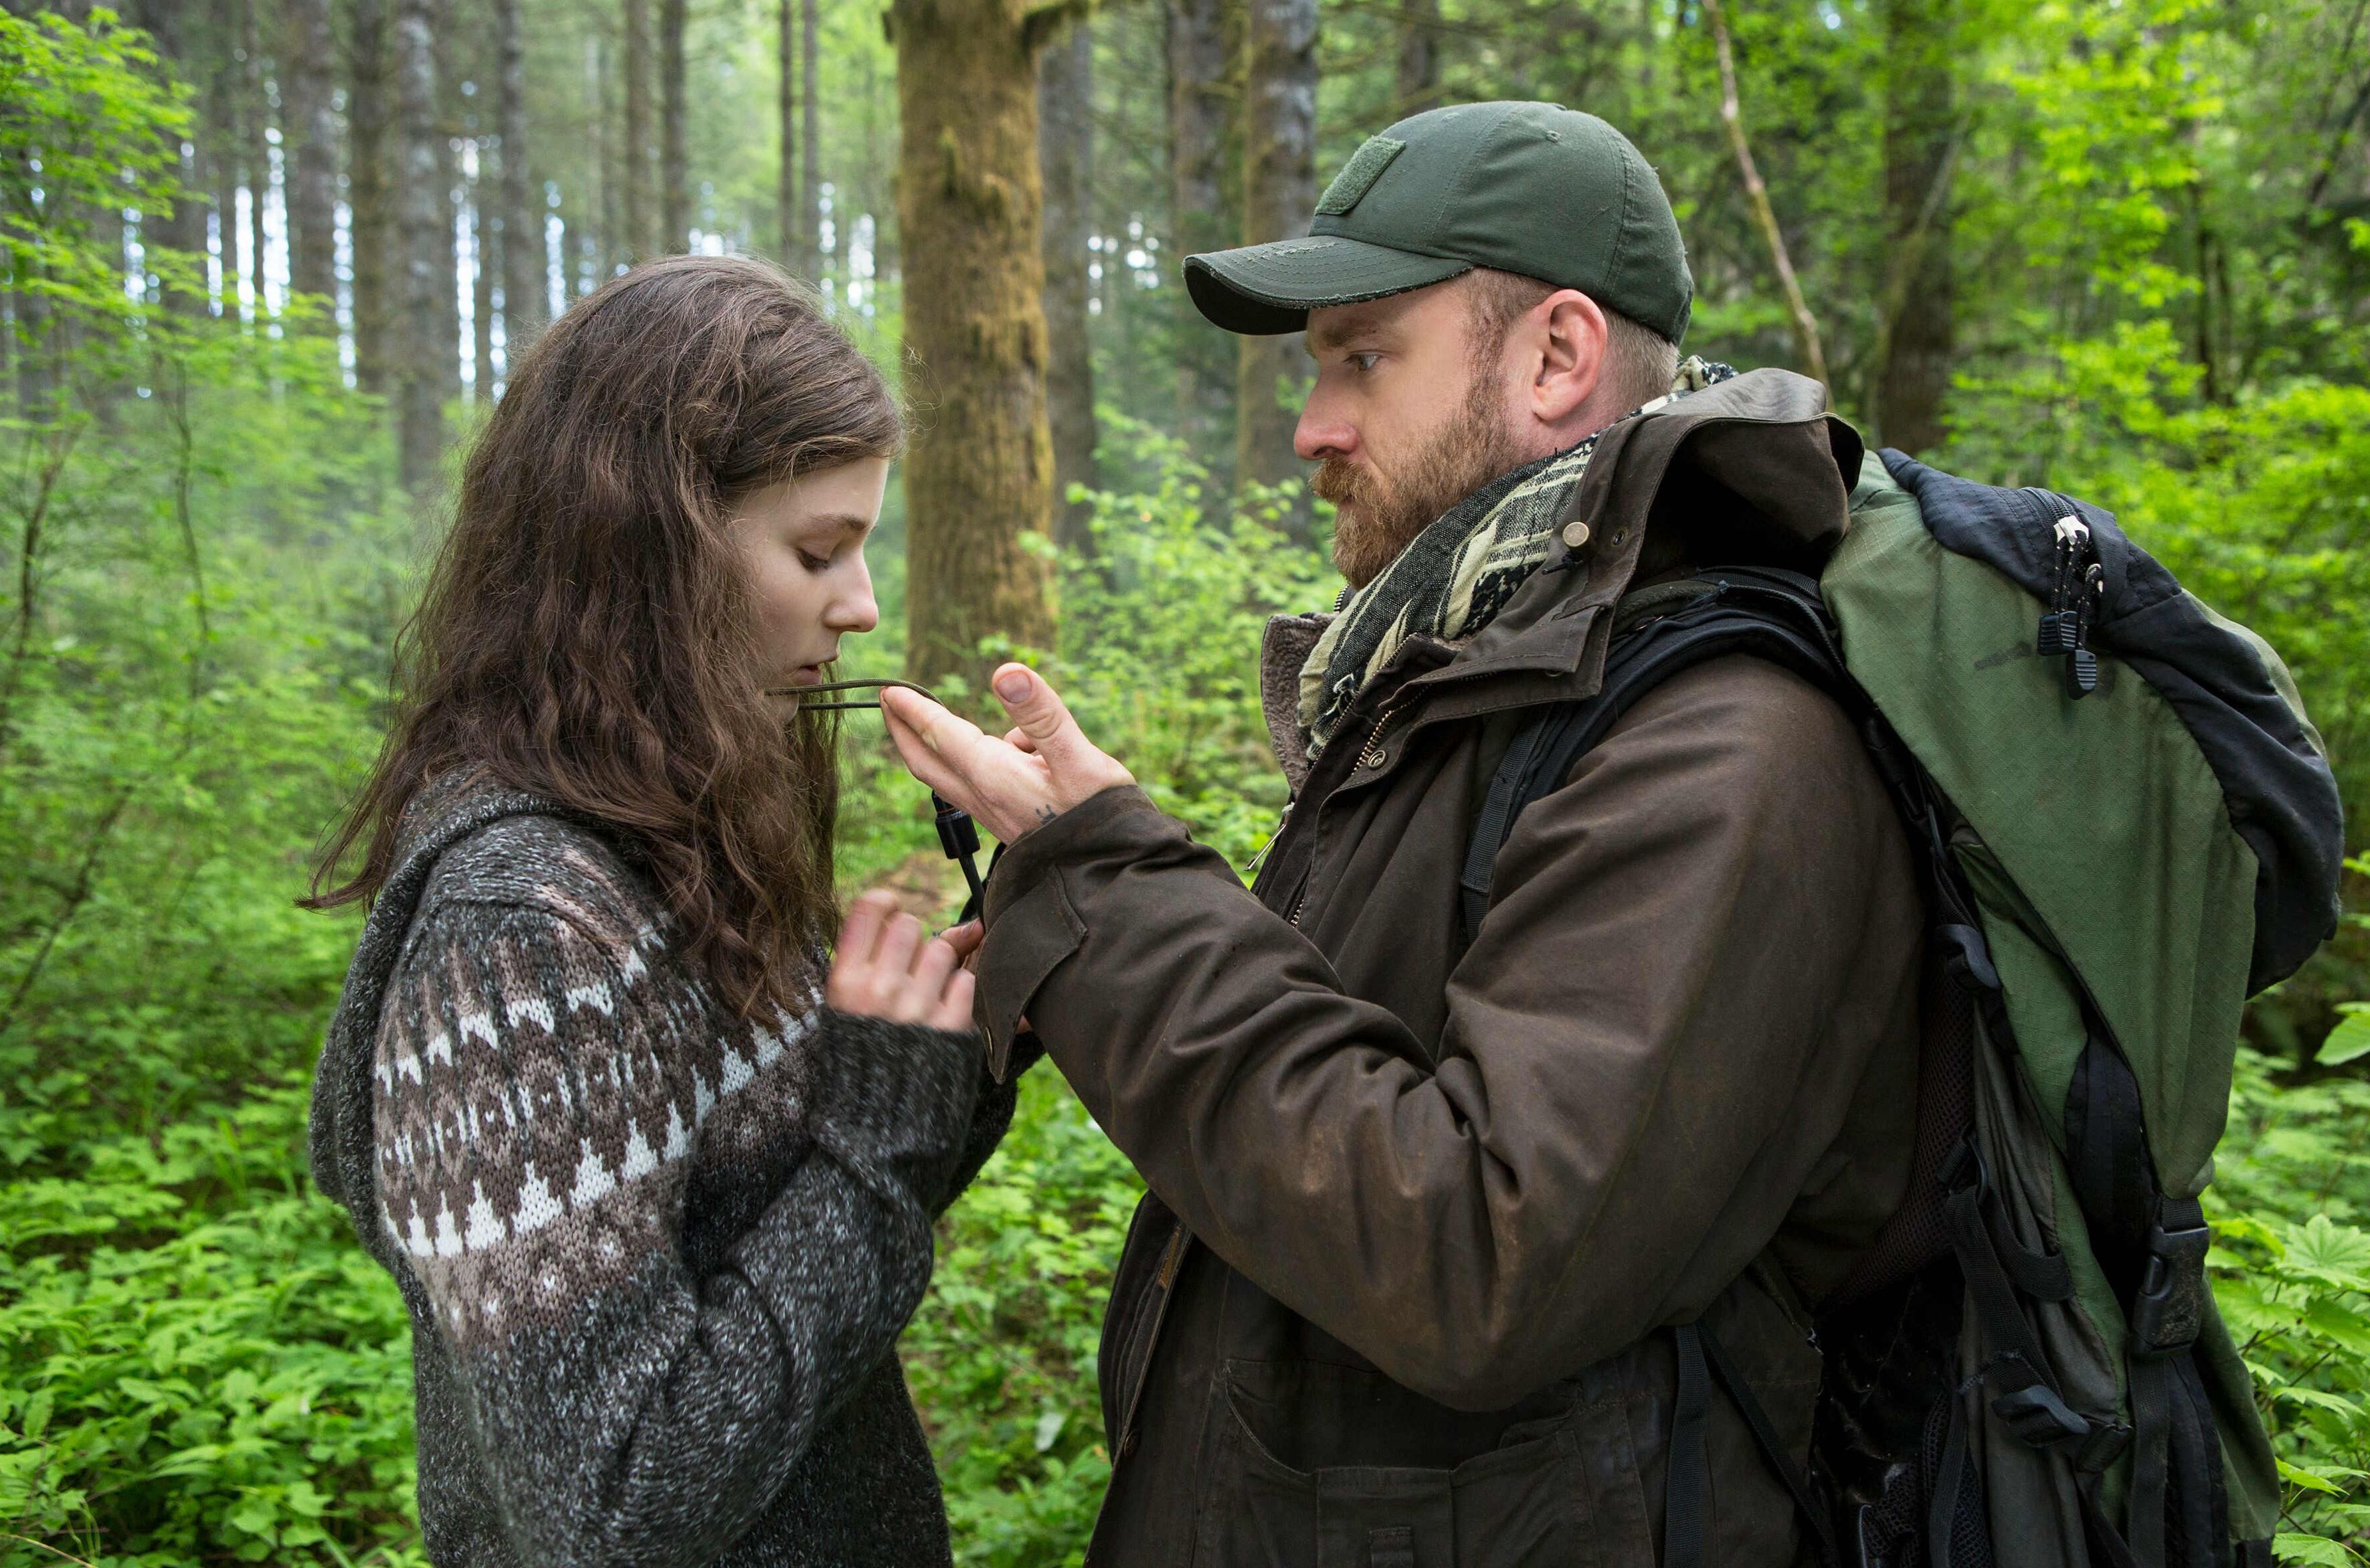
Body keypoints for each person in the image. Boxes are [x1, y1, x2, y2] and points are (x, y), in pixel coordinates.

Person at [885, 102, 1924, 1565]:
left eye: (1362, 356)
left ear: (1556, 353)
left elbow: (1478, 1250)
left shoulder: (1726, 739)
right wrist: (1113, 862)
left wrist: (1113, 897)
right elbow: (1343, 1083)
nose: (1310, 426)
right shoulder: (1474, 678)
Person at [304, 255, 1007, 1567]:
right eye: (817, 550)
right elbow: (614, 1507)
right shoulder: (521, 937)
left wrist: (958, 1045)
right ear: (652, 551)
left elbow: (779, 1226)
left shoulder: (673, 830)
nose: (858, 604)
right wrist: (872, 1129)